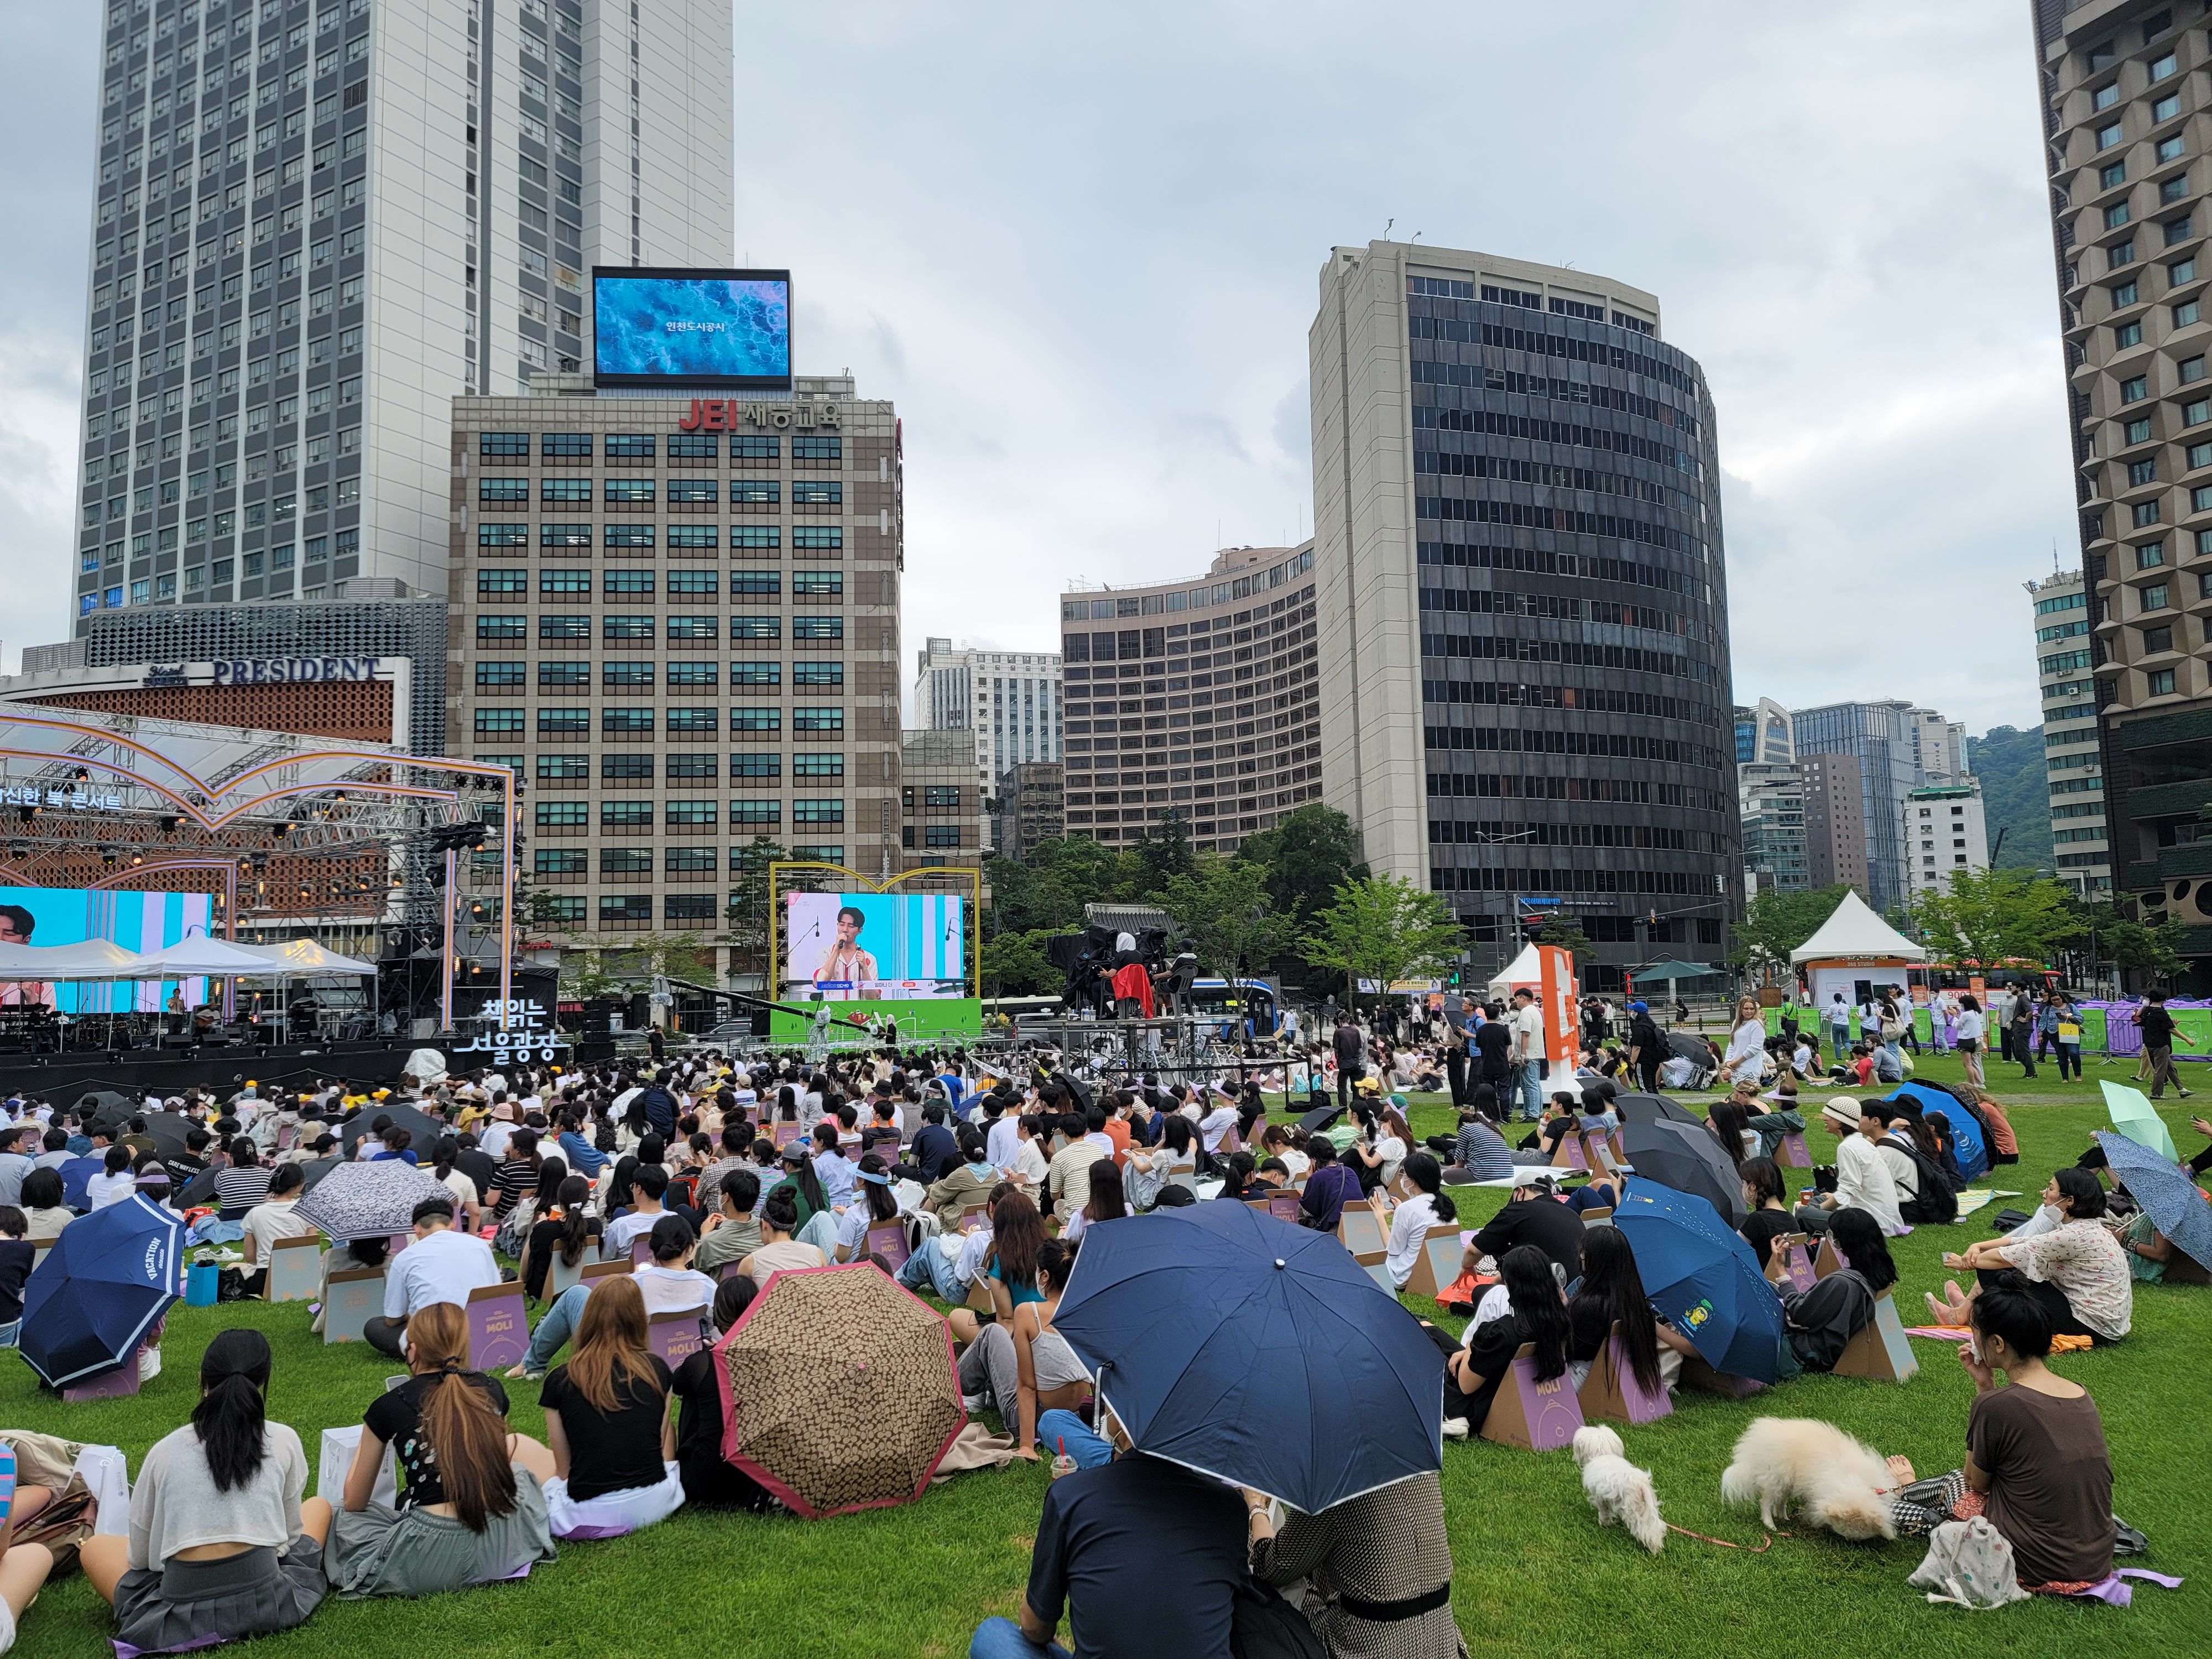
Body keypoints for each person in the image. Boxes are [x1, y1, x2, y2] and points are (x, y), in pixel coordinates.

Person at [80, 1331, 331, 1649]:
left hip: (179, 1604)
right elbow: (290, 1539)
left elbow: (141, 1559)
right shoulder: (283, 1439)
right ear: (263, 1381)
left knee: (94, 1548)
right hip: (267, 1597)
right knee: (319, 1506)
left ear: (202, 1379)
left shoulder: (165, 1452)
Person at [1888, 1272, 2116, 1591]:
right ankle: (1908, 1490)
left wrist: (1985, 1394)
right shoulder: (2079, 1393)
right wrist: (1986, 1386)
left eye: (1975, 1333)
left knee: (1923, 1496)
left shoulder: (1997, 1406)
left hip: (2034, 1559)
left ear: (1997, 1343)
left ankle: (1900, 1497)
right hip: (2093, 1556)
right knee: (1956, 1484)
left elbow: (1976, 1483)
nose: (1973, 1340)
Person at [327, 1302, 557, 1597]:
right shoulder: (491, 1388)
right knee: (519, 1472)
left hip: (427, 1552)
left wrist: (371, 1434)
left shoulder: (391, 1405)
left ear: (412, 1349)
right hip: (500, 1535)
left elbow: (354, 1502)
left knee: (336, 1516)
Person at [969, 1435, 1246, 1659]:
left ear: (1120, 1418)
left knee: (993, 1634)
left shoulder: (1072, 1496)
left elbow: (1035, 1627)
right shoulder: (1229, 1507)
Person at [1245, 1464, 1463, 1658]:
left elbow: (1272, 1566)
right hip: (1441, 1638)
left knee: (1277, 1586)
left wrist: (1256, 1505)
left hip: (1363, 1645)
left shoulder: (1334, 1476)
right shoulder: (1417, 1458)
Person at [536, 1277, 684, 1540]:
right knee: (667, 1429)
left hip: (585, 1512)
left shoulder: (560, 1380)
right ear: (638, 1318)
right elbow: (657, 1445)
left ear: (590, 1318)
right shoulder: (658, 1369)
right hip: (654, 1502)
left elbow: (564, 1471)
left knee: (517, 1446)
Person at [1927, 1168, 2131, 1345]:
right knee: (2009, 1264)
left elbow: (2006, 1258)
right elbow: (2023, 1242)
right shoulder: (2085, 1228)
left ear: (2069, 1201)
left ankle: (1966, 1314)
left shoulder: (2072, 1235)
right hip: (2103, 1323)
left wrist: (1967, 1262)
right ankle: (1967, 1310)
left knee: (2000, 1268)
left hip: (2090, 1326)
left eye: (2051, 1189)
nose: (2044, 1193)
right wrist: (1977, 1246)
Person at [958, 1238, 1092, 1458]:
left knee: (992, 1334)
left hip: (1030, 1420)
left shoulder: (1029, 1313)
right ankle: (983, 1383)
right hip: (1072, 1418)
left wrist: (1027, 1446)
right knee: (999, 1341)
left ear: (1045, 1277)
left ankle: (949, 1387)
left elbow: (1027, 1387)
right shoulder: (1087, 1312)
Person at [666, 1277, 775, 1513]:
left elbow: (677, 1384)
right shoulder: (771, 1361)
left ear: (717, 1318)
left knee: (700, 1391)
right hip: (754, 1477)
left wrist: (714, 1355)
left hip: (705, 1479)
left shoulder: (701, 1364)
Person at [1438, 1244, 1569, 1434]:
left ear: (1512, 1287)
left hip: (1476, 1405)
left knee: (1425, 1348)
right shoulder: (1558, 1323)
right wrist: (1469, 1350)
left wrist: (1469, 1346)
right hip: (1508, 1391)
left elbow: (1466, 1386)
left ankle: (1455, 1418)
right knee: (1432, 1333)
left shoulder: (1501, 1332)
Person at [365, 1197, 502, 1359]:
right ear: (453, 1224)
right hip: (482, 1331)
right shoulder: (480, 1246)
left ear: (416, 1229)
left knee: (374, 1326)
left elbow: (392, 1320)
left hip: (432, 1338)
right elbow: (496, 1293)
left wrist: (410, 1314)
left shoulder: (404, 1258)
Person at [1569, 1223, 1693, 1396]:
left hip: (1588, 1377)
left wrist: (1562, 1312)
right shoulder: (1633, 1299)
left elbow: (1569, 1349)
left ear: (1592, 1259)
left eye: (1583, 1253)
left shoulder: (1588, 1306)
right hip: (1623, 1375)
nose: (1580, 1256)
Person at [1775, 1206, 1893, 1372]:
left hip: (1805, 1350)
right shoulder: (1875, 1277)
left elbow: (1799, 1313)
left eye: (1831, 1235)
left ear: (1842, 1243)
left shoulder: (1842, 1283)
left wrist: (1782, 1274)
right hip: (1824, 1349)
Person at [1797, 1100, 1907, 1238]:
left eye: (1829, 1116)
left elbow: (1848, 1191)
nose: (1825, 1119)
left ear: (1841, 1121)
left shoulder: (1848, 1147)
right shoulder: (1861, 1143)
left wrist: (1819, 1210)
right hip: (1882, 1218)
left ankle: (1807, 1219)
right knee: (1819, 1199)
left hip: (1872, 1224)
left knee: (1803, 1214)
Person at [1469, 1172, 1584, 1279]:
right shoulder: (1571, 1213)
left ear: (1520, 1192)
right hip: (1580, 1290)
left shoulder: (1519, 1210)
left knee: (1480, 1292)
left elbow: (1472, 1251)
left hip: (1547, 1293)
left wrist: (1466, 1267)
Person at [1373, 1152, 1458, 1290]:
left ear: (1414, 1181)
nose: (1402, 1178)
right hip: (1441, 1270)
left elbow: (1393, 1250)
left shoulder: (1408, 1209)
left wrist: (1379, 1217)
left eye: (1404, 1174)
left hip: (1404, 1275)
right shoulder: (1446, 1204)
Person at [519, 1175, 602, 1302]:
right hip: (585, 1289)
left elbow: (527, 1270)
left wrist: (540, 1225)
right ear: (585, 1201)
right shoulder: (595, 1227)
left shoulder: (544, 1230)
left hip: (540, 1292)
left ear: (559, 1201)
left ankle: (518, 1283)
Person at [237, 1165, 314, 1297]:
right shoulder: (305, 1209)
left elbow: (250, 1256)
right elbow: (312, 1248)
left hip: (265, 1280)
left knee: (235, 1266)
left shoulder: (255, 1213)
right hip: (302, 1278)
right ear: (299, 1185)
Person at [734, 1188, 828, 1292]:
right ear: (793, 1226)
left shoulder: (751, 1262)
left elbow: (742, 1300)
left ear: (764, 1225)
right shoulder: (817, 1254)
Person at [693, 1167, 763, 1277]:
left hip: (723, 1289)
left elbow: (700, 1265)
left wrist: (705, 1234)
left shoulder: (711, 1240)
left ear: (726, 1198)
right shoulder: (764, 1228)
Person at [1736, 1156, 1797, 1272]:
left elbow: (1734, 1250)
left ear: (1752, 1187)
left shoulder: (1757, 1220)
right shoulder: (1791, 1219)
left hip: (1759, 1282)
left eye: (1744, 1183)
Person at [2138, 987, 2194, 1099]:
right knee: (2160, 1070)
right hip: (2161, 1045)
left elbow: (2136, 1018)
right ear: (2164, 999)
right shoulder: (2161, 1013)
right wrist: (2188, 1040)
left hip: (2149, 1043)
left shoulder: (2147, 1011)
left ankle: (2181, 1089)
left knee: (2169, 1067)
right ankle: (2156, 1093)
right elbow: (2172, 1029)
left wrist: (2144, 1006)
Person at [1509, 986, 1546, 1121]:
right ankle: (1537, 1111)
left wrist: (1523, 1055)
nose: (1516, 1002)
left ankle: (1532, 1113)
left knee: (1529, 1085)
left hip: (1529, 1054)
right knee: (1534, 1084)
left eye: (1517, 998)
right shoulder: (1535, 1011)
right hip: (1535, 1052)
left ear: (1523, 998)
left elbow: (1525, 1033)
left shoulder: (1525, 1013)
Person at [1722, 995, 1767, 1089]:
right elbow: (1732, 1044)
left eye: (1752, 1009)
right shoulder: (1736, 1023)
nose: (1749, 1011)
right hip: (1736, 1069)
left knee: (1747, 1098)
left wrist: (1737, 1062)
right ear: (1740, 1010)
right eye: (1746, 1009)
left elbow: (1754, 1048)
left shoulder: (1757, 1024)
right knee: (1738, 1098)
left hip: (1749, 1069)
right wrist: (1728, 1061)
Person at [1954, 994, 1987, 1091]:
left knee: (1968, 1065)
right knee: (1971, 1063)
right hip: (1973, 1040)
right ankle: (1979, 1082)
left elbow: (1959, 1026)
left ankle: (1972, 1084)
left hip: (1965, 1040)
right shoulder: (1975, 1013)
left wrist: (1955, 1017)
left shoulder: (1965, 1015)